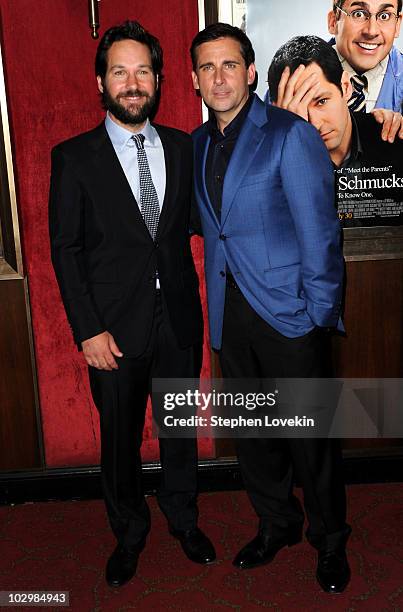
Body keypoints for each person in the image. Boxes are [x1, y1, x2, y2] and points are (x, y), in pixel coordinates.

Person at [49, 20, 215, 588]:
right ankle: (129, 533)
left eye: (142, 70)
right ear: (101, 82)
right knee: (118, 439)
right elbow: (65, 250)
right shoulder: (73, 158)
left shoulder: (183, 146)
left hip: (179, 322)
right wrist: (87, 329)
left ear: (160, 79)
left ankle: (184, 519)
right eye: (119, 71)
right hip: (112, 332)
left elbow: (198, 223)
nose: (132, 82)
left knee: (178, 430)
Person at [190, 23, 351, 594]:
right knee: (255, 438)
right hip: (232, 313)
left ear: (251, 72)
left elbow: (320, 230)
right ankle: (277, 523)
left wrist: (318, 315)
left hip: (291, 314)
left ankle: (331, 540)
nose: (218, 76)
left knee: (311, 441)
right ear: (194, 80)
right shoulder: (198, 143)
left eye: (229, 64)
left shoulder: (289, 133)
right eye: (207, 68)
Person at [267, 35, 403, 227]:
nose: (315, 123)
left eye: (321, 101)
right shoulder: (267, 169)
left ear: (346, 88)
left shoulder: (392, 137)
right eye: (299, 111)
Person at [328, 0, 403, 112]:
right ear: (333, 22)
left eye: (384, 16)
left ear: (397, 25)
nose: (372, 31)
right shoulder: (300, 78)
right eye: (358, 14)